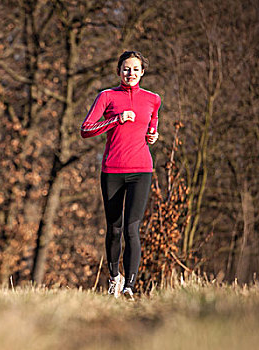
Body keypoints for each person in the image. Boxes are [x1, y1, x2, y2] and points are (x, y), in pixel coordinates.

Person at [80, 51, 160, 299]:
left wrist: (153, 135)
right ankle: (115, 278)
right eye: (126, 69)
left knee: (132, 229)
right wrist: (116, 119)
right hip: (112, 170)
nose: (131, 73)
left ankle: (130, 287)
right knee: (114, 229)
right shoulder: (106, 96)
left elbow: (153, 124)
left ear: (142, 72)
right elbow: (86, 130)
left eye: (136, 69)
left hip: (141, 170)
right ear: (119, 71)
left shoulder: (153, 99)